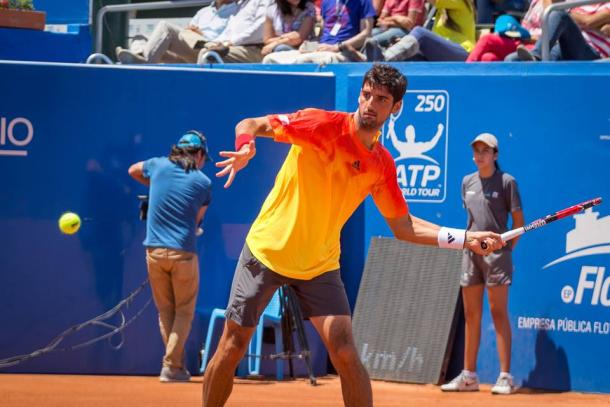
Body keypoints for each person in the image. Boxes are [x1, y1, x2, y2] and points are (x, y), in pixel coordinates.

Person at [201, 64, 504, 406]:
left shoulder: (381, 164)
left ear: (396, 107)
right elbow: (251, 124)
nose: (370, 104)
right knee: (232, 346)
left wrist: (466, 238)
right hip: (267, 253)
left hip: (319, 265)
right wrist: (245, 145)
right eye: (366, 94)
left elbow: (404, 227)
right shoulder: (319, 124)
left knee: (345, 352)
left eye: (382, 99)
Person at [440, 133, 524, 395]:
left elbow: (518, 224)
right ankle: (469, 376)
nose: (479, 154)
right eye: (476, 150)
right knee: (470, 315)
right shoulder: (467, 182)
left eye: (485, 150)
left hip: (497, 257)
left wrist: (505, 250)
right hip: (470, 252)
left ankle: (505, 376)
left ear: (495, 155)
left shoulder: (507, 182)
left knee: (498, 313)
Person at [128, 131, 213, 382]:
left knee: (165, 310)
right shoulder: (203, 183)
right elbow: (197, 221)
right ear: (198, 154)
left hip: (153, 253)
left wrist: (155, 186)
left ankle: (175, 365)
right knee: (184, 312)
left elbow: (133, 170)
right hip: (183, 253)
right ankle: (172, 366)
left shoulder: (156, 166)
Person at [116, 0, 239, 64]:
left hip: (208, 49)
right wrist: (191, 32)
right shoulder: (203, 12)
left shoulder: (237, 11)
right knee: (140, 37)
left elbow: (229, 40)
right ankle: (139, 56)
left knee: (166, 27)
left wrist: (201, 35)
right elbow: (187, 31)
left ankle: (142, 61)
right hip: (188, 47)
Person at [262, 0, 376, 63]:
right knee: (271, 59)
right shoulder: (326, 2)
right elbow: (321, 33)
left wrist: (336, 47)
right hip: (323, 47)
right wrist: (309, 45)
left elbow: (366, 34)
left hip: (344, 49)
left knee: (308, 60)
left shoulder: (364, 2)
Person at [361, 0, 476, 61]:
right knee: (409, 55)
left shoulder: (460, 2)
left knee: (420, 33)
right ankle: (368, 61)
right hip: (446, 53)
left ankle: (383, 59)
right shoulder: (442, 11)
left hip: (463, 53)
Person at [512, 1, 610, 61]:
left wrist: (565, 13)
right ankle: (535, 57)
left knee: (560, 16)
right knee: (513, 59)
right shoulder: (578, 3)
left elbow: (588, 22)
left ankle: (536, 55)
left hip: (592, 54)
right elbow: (550, 11)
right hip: (565, 46)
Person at [199, 0, 271, 63]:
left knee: (208, 54)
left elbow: (260, 29)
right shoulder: (240, 5)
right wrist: (216, 43)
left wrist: (231, 42)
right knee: (205, 51)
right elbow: (229, 32)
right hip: (236, 47)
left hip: (254, 50)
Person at [467, 13, 534, 62]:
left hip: (526, 45)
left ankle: (467, 70)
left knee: (487, 39)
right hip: (515, 44)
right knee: (488, 57)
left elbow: (541, 38)